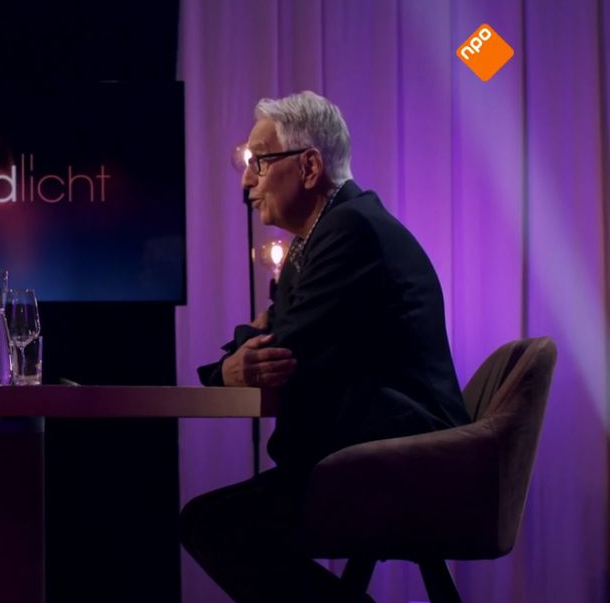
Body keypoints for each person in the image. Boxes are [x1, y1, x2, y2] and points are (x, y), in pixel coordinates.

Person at [179, 91, 470, 602]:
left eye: (260, 162)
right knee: (211, 522)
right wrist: (245, 351)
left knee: (212, 525)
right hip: (375, 458)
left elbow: (282, 349)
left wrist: (229, 365)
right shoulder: (321, 237)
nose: (247, 182)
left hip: (405, 469)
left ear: (309, 166)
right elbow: (277, 334)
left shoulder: (351, 229)